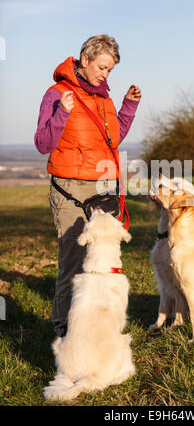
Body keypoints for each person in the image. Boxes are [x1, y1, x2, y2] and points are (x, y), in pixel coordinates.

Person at [34, 35, 141, 337]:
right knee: (73, 260)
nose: (105, 75)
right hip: (69, 189)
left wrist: (129, 107)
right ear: (84, 60)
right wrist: (61, 114)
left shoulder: (104, 99)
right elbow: (43, 143)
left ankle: (98, 325)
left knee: (103, 260)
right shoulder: (56, 93)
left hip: (102, 190)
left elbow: (113, 139)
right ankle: (64, 329)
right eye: (102, 68)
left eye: (110, 71)